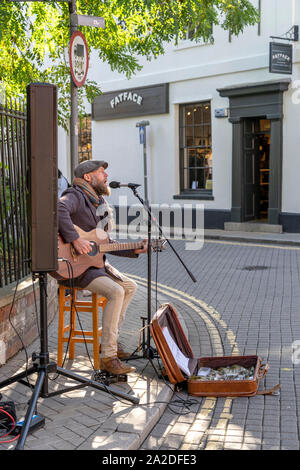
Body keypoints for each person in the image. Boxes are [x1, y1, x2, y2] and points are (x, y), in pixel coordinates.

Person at [58, 160, 147, 375]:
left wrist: (135, 249)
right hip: (73, 267)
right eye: (101, 171)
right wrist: (76, 240)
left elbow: (102, 243)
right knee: (116, 291)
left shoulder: (95, 201)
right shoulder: (76, 195)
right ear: (88, 177)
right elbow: (58, 207)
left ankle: (109, 342)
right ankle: (108, 357)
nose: (106, 175)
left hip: (92, 266)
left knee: (129, 286)